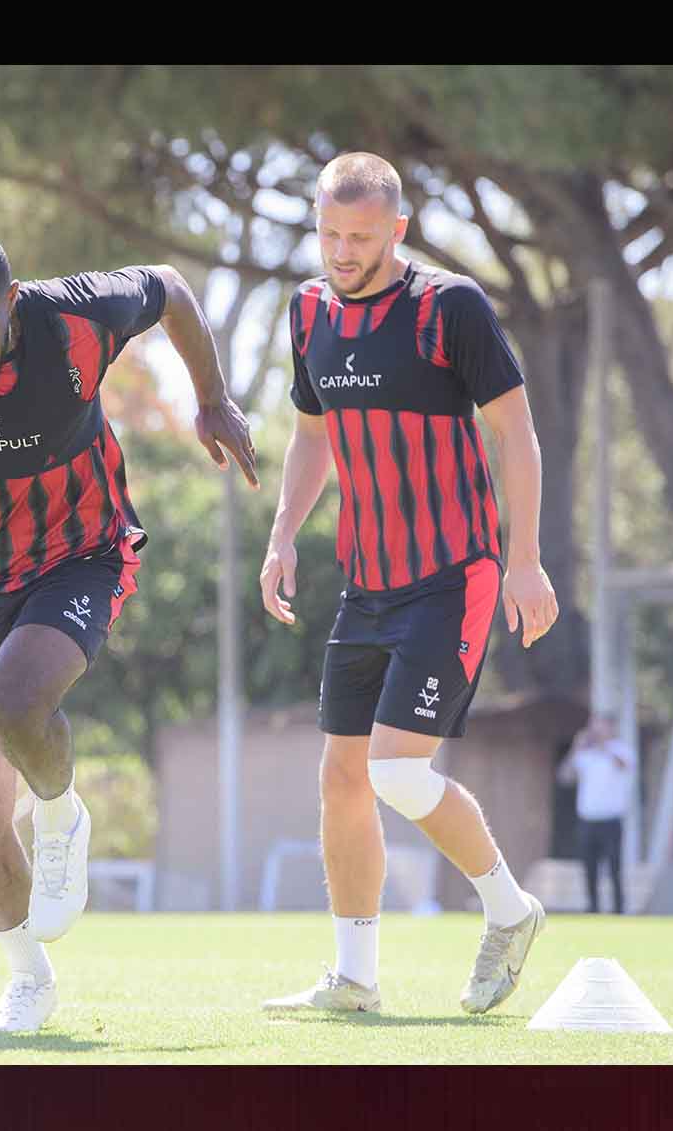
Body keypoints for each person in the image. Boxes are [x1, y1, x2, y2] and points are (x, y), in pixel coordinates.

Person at [0, 228, 258, 1032]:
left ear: (12, 301)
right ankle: (28, 980)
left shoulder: (77, 316)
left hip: (81, 553)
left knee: (16, 699)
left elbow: (171, 287)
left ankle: (59, 813)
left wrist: (212, 396)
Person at [256, 153, 560, 1017]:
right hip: (367, 584)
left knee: (393, 770)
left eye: (360, 237)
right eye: (328, 233)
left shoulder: (447, 307)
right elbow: (311, 435)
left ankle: (511, 910)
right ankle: (355, 979)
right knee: (343, 778)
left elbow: (516, 432)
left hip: (453, 575)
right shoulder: (308, 310)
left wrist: (526, 558)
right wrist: (283, 535)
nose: (341, 252)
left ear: (398, 229)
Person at [558, 712, 635, 913]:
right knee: (589, 866)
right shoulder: (585, 754)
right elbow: (565, 777)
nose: (596, 730)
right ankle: (592, 907)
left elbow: (623, 765)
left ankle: (618, 909)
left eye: (600, 725)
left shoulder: (622, 750)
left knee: (614, 866)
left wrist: (603, 746)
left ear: (611, 727)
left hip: (611, 820)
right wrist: (575, 749)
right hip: (588, 820)